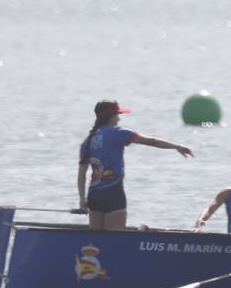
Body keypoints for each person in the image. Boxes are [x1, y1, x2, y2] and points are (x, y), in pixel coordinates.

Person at [77, 99, 193, 231]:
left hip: (94, 197)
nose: (119, 119)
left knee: (97, 243)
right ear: (111, 116)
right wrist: (178, 146)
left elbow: (81, 175)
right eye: (117, 115)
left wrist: (82, 198)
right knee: (114, 243)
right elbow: (153, 141)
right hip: (113, 194)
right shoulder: (119, 133)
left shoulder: (87, 141)